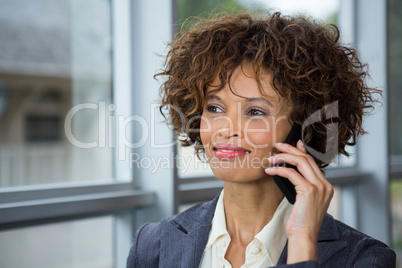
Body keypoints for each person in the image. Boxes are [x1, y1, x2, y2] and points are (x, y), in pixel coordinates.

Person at [127, 12, 396, 267]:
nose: (226, 129)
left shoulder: (364, 258)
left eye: (255, 112)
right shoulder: (153, 245)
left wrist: (303, 240)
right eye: (215, 108)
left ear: (306, 128)